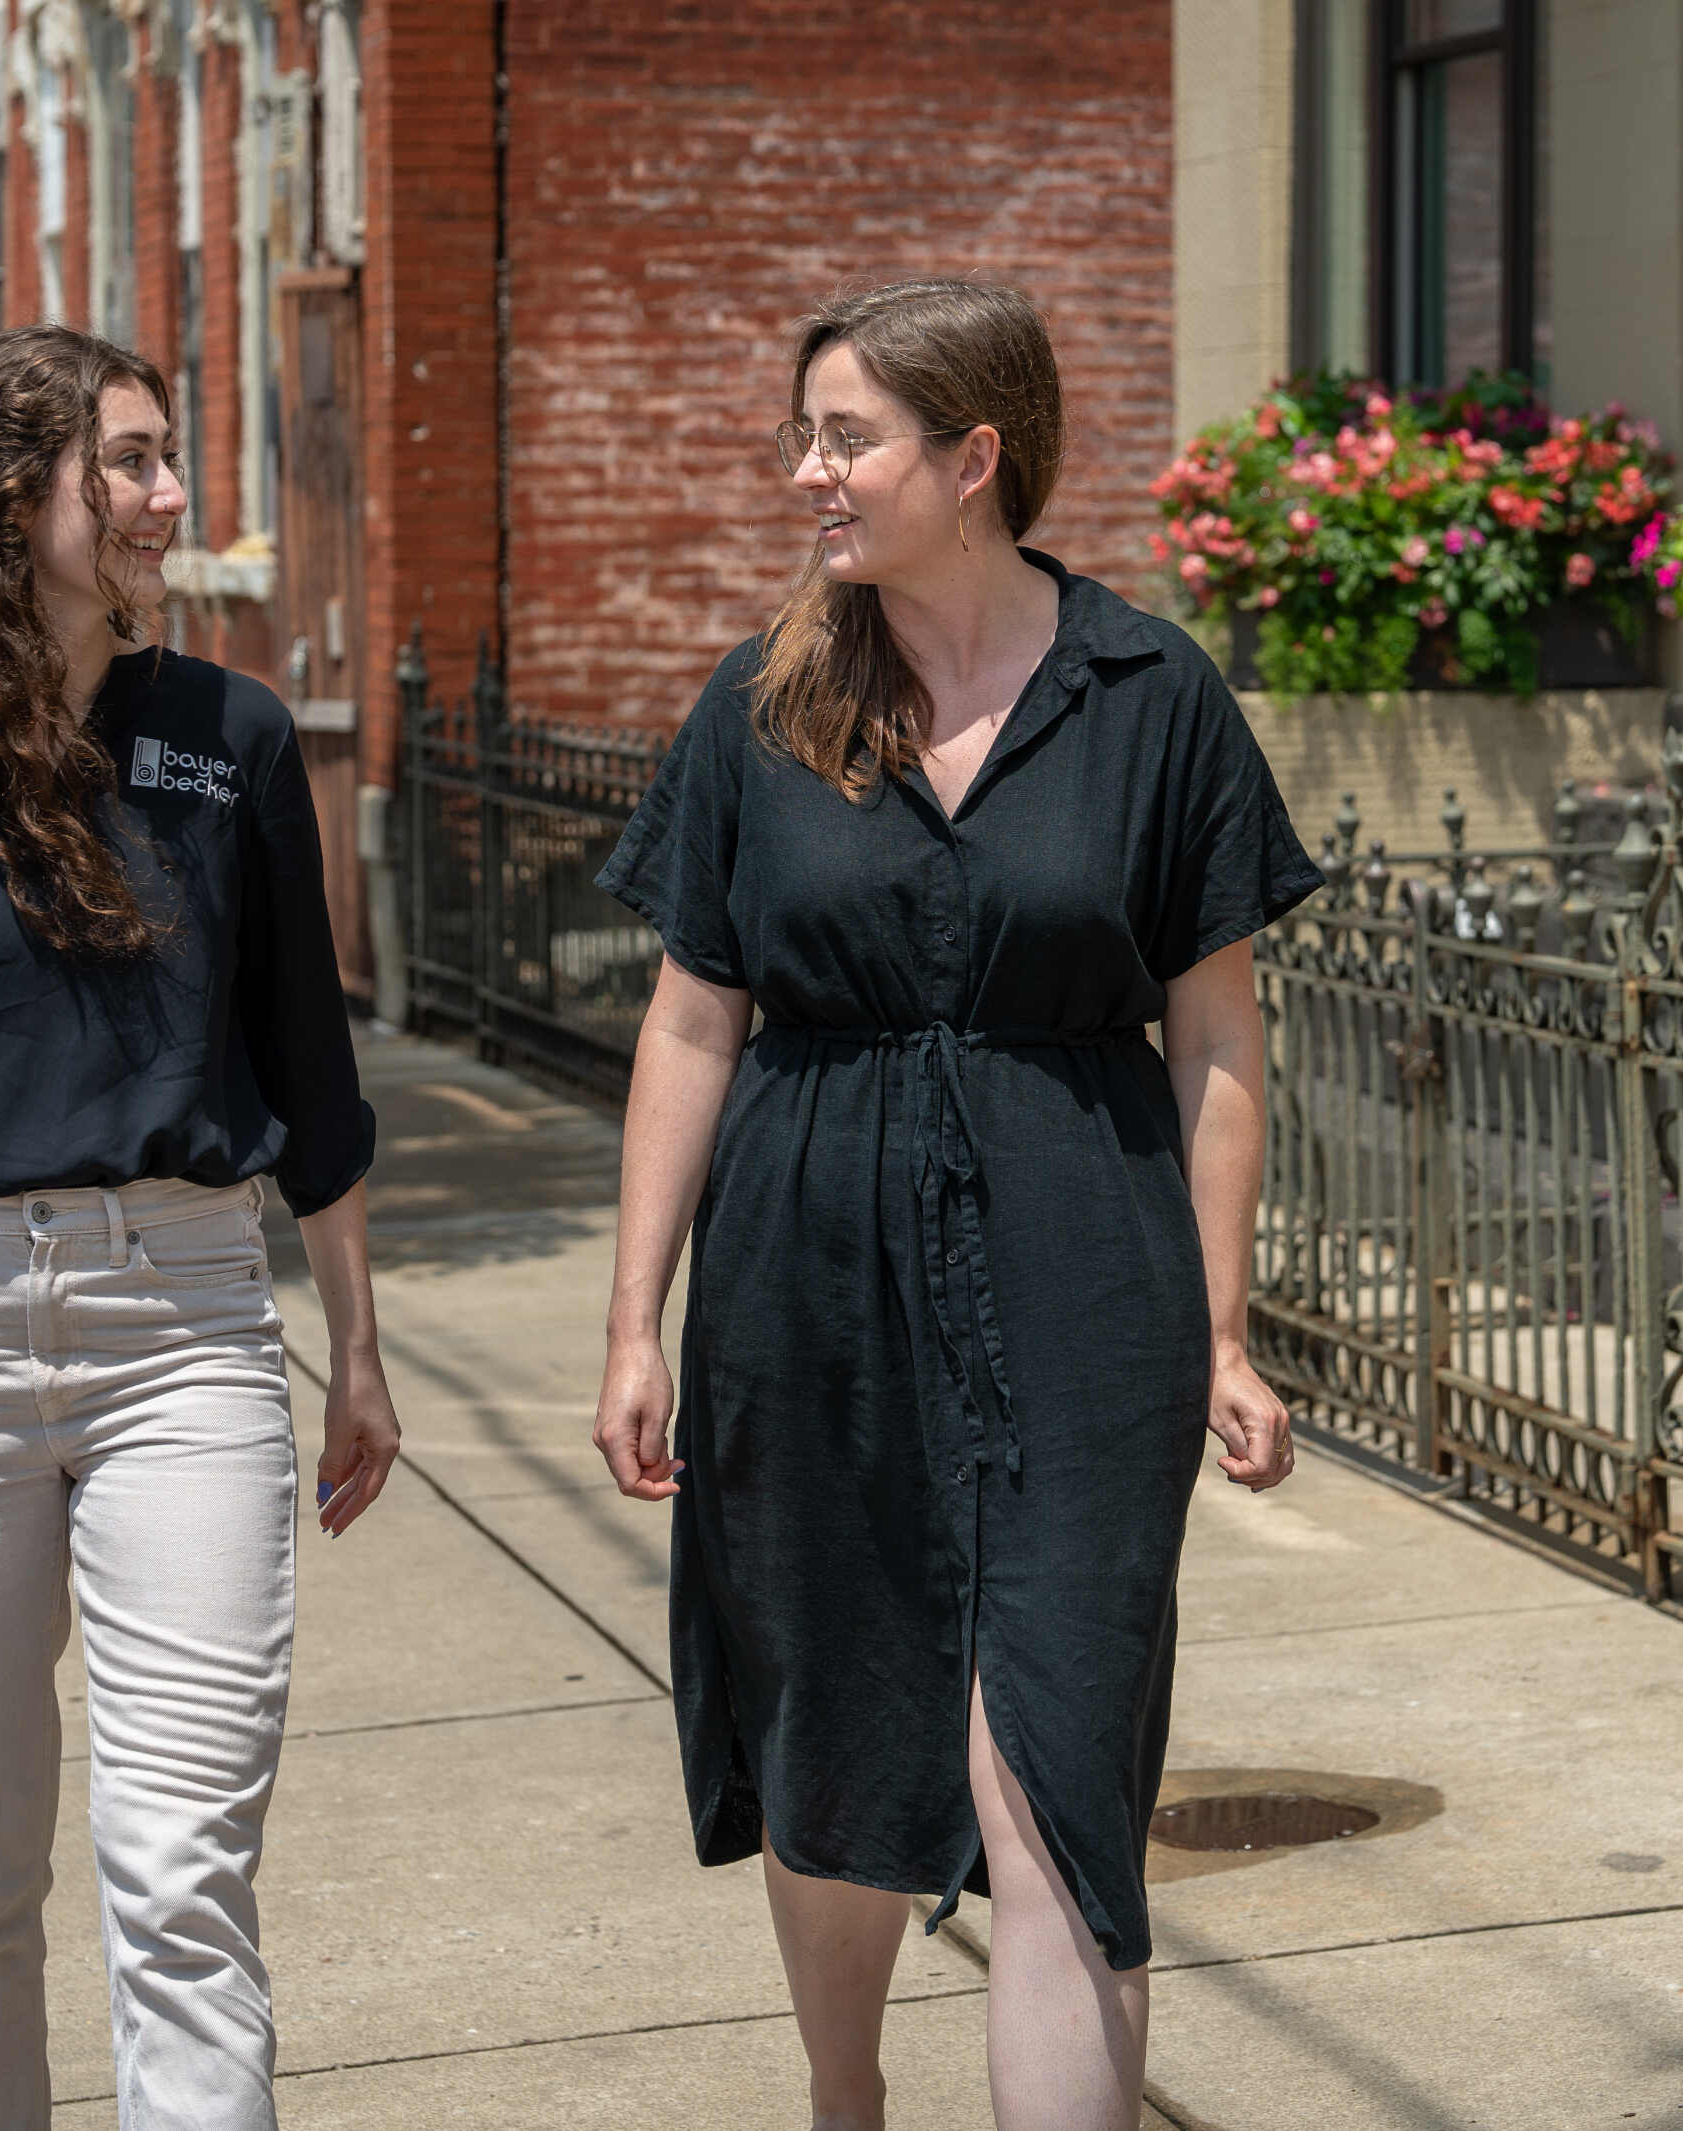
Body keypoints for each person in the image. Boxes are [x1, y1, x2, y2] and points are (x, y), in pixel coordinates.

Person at [589, 279, 1325, 2131]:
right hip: (804, 1277)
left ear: (974, 457)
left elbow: (1218, 1038)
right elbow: (693, 1015)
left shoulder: (1151, 696)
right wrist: (632, 1320)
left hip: (1087, 1276)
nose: (808, 472)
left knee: (1058, 1769)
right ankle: (848, 2095)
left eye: (847, 436)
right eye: (807, 432)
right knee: (831, 1731)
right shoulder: (762, 705)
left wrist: (1226, 1331)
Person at [0, 326, 402, 2131]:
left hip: (181, 1329)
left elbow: (307, 1074)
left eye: (165, 457)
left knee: (183, 1878)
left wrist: (354, 1350)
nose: (169, 496)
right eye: (129, 461)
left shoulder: (227, 739)